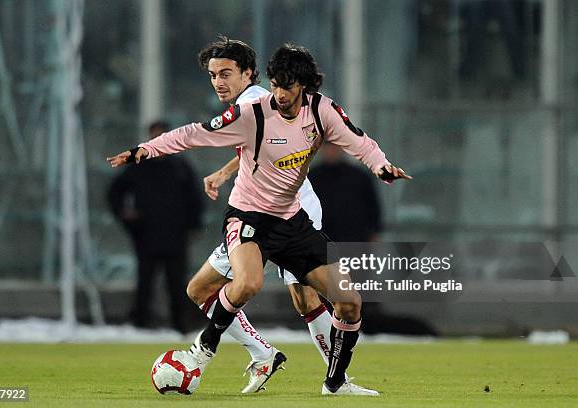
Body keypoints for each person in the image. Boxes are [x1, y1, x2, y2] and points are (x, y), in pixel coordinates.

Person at [108, 44, 411, 396]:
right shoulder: (253, 110)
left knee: (346, 300)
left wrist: (381, 166)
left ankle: (334, 382)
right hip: (249, 216)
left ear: (305, 86)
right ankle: (202, 353)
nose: (280, 93)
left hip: (294, 218)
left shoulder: (321, 110)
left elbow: (358, 141)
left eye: (288, 86)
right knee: (241, 285)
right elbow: (195, 133)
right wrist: (147, 149)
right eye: (277, 84)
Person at [184, 37, 334, 394]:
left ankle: (333, 374)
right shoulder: (250, 103)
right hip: (262, 215)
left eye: (226, 73)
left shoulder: (254, 99)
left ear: (248, 73)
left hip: (286, 213)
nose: (218, 81)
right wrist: (224, 173)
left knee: (304, 297)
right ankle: (266, 354)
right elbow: (256, 148)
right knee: (202, 288)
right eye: (212, 75)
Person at [107, 120, 203, 332]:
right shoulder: (138, 168)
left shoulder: (181, 168)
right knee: (145, 281)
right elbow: (115, 193)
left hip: (176, 235)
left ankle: (181, 325)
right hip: (146, 234)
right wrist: (126, 216)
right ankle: (141, 324)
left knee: (177, 283)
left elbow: (195, 199)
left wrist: (193, 226)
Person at [309, 143, 383, 242]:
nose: (331, 151)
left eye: (334, 147)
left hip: (354, 238)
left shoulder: (359, 176)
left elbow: (372, 206)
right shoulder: (311, 178)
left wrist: (374, 232)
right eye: (328, 147)